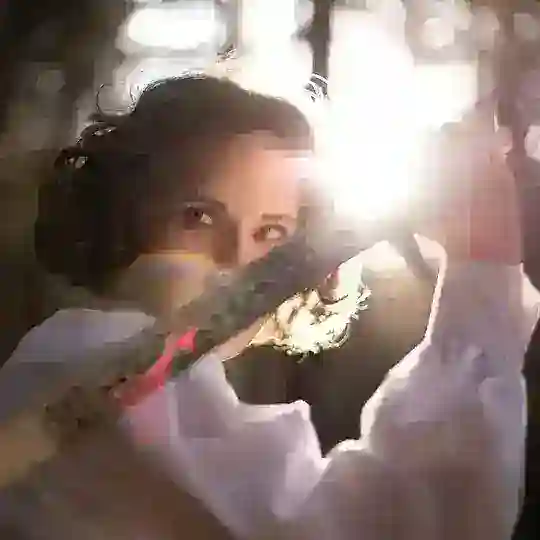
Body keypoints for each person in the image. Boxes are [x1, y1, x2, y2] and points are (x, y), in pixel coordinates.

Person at [0, 73, 537, 540]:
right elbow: (360, 529)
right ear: (122, 215)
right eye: (198, 217)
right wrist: (483, 269)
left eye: (270, 232)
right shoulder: (84, 357)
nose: (235, 258)